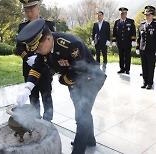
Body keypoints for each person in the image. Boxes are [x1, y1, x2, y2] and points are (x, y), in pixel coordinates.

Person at [16, 19, 106, 154]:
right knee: (82, 112)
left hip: (90, 79)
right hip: (73, 81)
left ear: (47, 39)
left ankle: (78, 150)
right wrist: (27, 88)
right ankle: (90, 140)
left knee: (82, 115)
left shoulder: (71, 45)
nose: (38, 52)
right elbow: (37, 67)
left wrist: (63, 80)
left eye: (38, 48)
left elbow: (80, 71)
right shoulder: (44, 49)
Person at [16, 0, 56, 121]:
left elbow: (53, 45)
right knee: (33, 96)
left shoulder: (48, 24)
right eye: (26, 11)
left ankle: (48, 122)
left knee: (46, 95)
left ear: (38, 8)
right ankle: (35, 120)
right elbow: (19, 46)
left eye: (31, 10)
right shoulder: (22, 26)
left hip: (44, 66)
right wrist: (27, 58)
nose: (29, 14)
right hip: (29, 67)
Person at [136, 6, 156, 90]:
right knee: (144, 66)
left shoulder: (155, 25)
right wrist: (137, 48)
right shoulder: (142, 25)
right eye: (146, 15)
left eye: (149, 15)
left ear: (152, 15)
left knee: (150, 66)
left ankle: (150, 83)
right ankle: (144, 82)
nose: (147, 16)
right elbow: (139, 38)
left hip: (152, 50)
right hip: (142, 49)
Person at [112, 7, 136, 74]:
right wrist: (114, 41)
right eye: (121, 13)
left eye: (124, 13)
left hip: (128, 42)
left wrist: (133, 40)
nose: (122, 15)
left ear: (126, 14)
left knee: (128, 56)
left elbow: (133, 31)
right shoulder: (117, 22)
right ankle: (122, 68)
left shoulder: (130, 21)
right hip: (120, 42)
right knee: (121, 56)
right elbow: (114, 32)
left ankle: (127, 69)